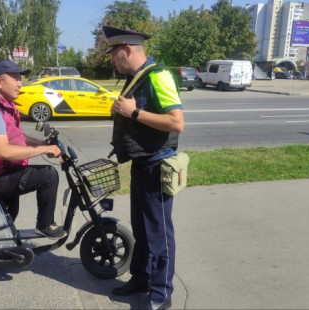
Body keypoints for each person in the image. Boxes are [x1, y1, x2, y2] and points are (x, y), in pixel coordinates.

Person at [102, 25, 184, 310]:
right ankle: (141, 279)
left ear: (126, 50)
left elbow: (177, 123)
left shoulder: (158, 75)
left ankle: (161, 293)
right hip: (142, 164)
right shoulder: (135, 78)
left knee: (158, 232)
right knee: (141, 228)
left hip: (157, 165)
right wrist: (123, 112)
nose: (111, 60)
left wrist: (133, 112)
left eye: (113, 53)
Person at [0, 59, 66, 239]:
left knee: (7, 220)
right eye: (15, 78)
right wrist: (43, 151)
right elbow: (4, 151)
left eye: (20, 78)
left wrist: (43, 144)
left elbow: (17, 137)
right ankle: (45, 224)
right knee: (48, 175)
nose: (20, 83)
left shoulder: (2, 104)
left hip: (3, 170)